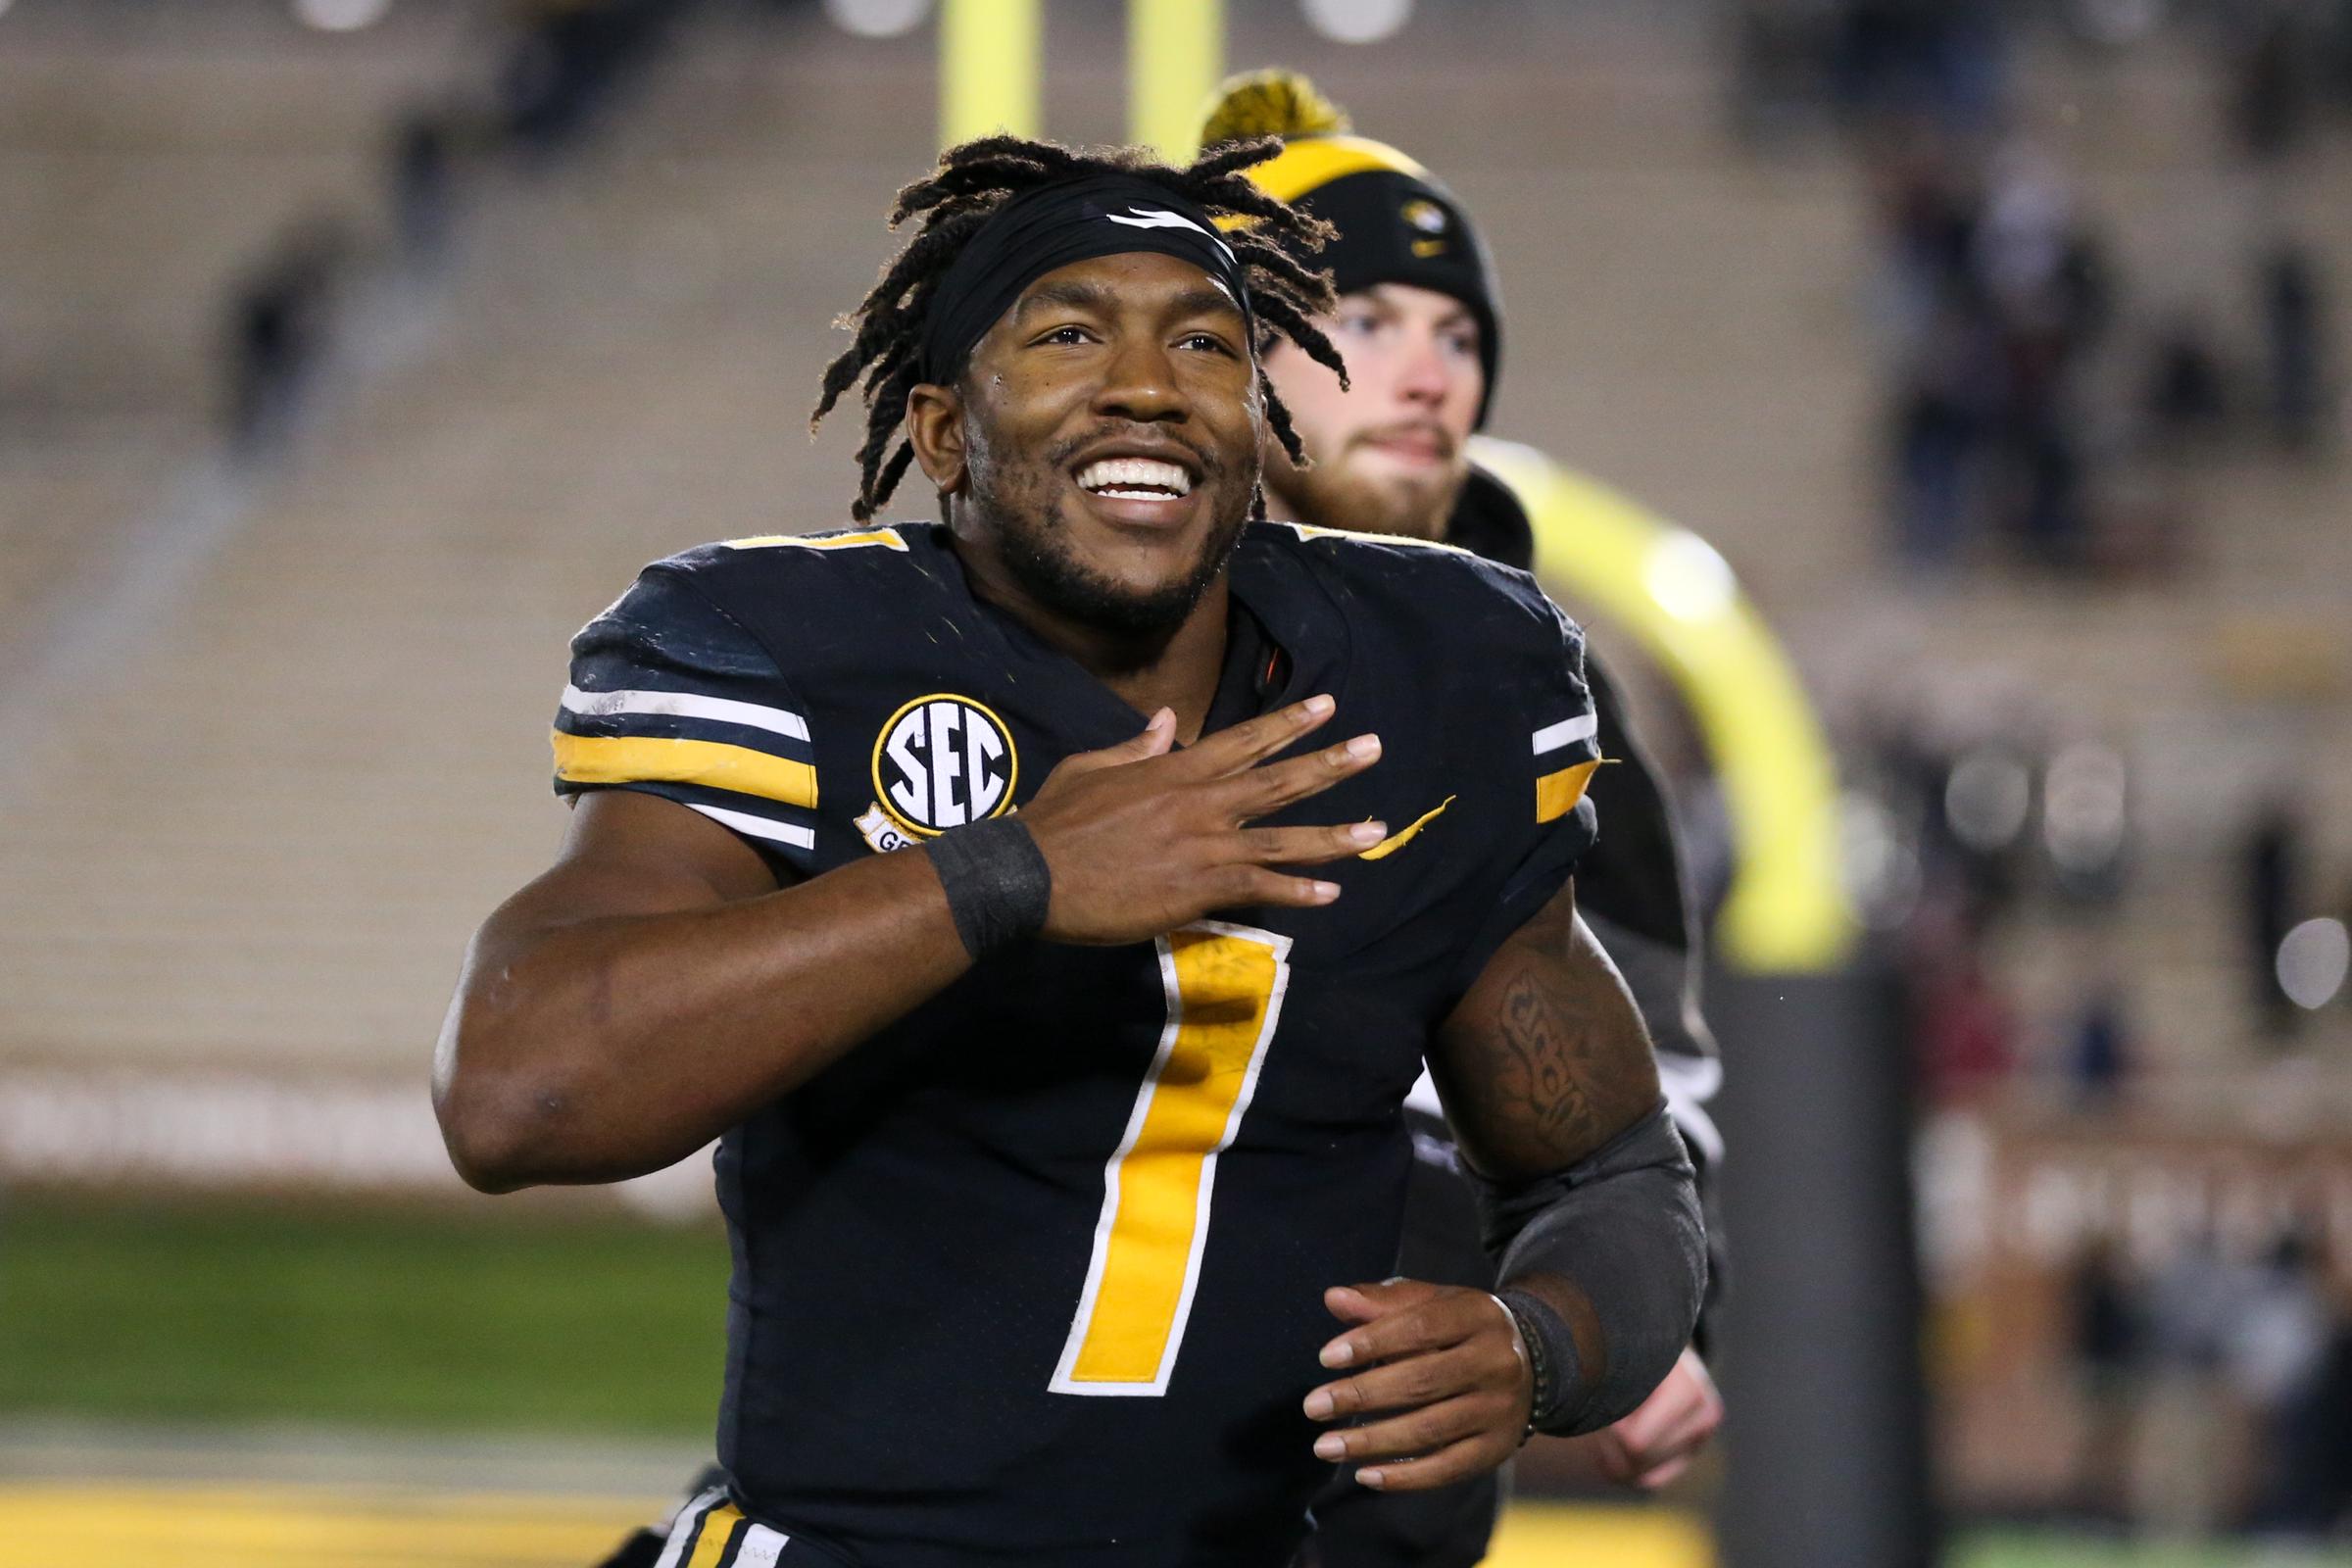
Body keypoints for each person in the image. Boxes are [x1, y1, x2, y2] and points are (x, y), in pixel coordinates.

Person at [442, 134, 1706, 1568]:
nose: (1148, 387)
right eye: (1066, 334)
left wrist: (1541, 1342)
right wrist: (1006, 874)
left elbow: (1609, 1172)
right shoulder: (800, 655)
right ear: (939, 432)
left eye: (1207, 346)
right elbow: (514, 1092)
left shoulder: (1443, 679)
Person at [1197, 72, 1732, 1564]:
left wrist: (1652, 1307)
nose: (1429, 376)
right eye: (1365, 323)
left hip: (1387, 1481)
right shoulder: (1080, 635)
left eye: (1459, 335)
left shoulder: (1544, 696)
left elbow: (1647, 1095)